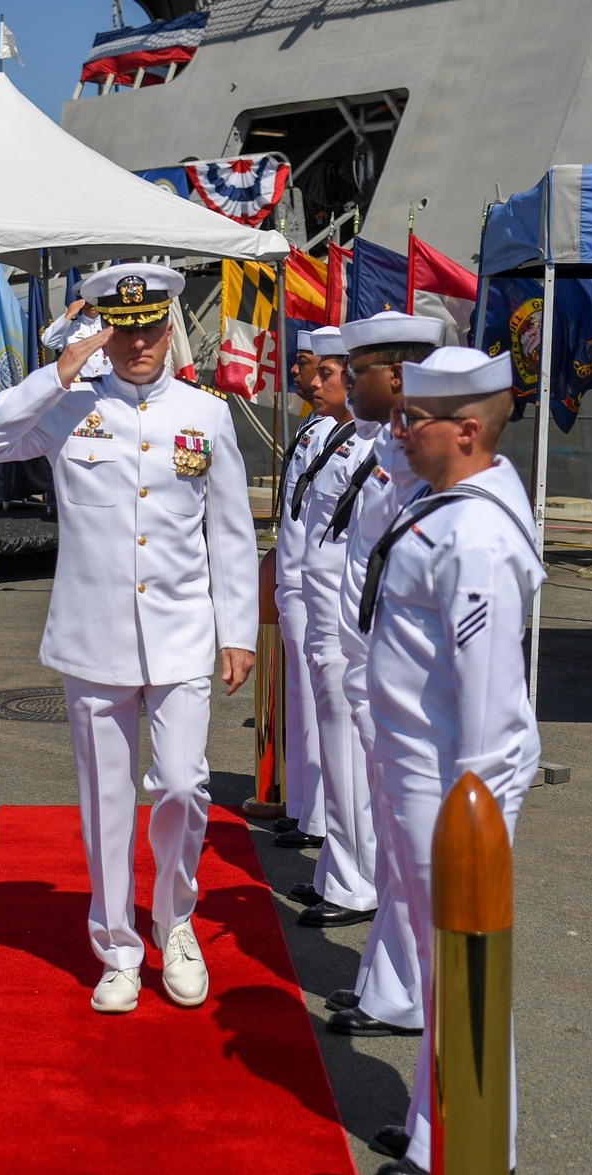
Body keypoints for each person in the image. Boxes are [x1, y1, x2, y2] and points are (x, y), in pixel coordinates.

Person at [0, 263, 259, 1013]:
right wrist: (59, 369)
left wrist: (239, 630)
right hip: (95, 635)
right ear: (105, 333)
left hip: (185, 631)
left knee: (186, 784)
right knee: (104, 799)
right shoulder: (69, 408)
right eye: (123, 331)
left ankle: (178, 918)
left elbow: (228, 529)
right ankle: (119, 947)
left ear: (172, 328)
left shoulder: (205, 413)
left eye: (152, 328)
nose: (139, 344)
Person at [363, 347, 545, 1175]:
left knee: (463, 965)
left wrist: (472, 813)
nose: (397, 430)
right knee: (443, 967)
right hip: (419, 771)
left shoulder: (472, 535)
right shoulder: (443, 501)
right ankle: (436, 1121)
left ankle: (469, 1151)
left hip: (453, 786)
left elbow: (487, 703)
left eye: (414, 419)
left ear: (467, 431)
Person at [324, 310, 444, 1035]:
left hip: (401, 689)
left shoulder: (418, 460)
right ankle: (389, 988)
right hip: (372, 678)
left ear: (396, 376)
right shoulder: (386, 446)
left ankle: (406, 998)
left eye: (357, 367)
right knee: (399, 854)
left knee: (410, 852)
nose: (346, 379)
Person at [295, 326, 378, 928]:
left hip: (350, 627)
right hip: (329, 622)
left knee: (350, 754)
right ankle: (337, 869)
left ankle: (356, 883)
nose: (317, 382)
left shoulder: (384, 451)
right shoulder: (351, 441)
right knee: (335, 748)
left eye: (331, 373)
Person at [272, 329, 326, 852]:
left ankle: (320, 818)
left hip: (317, 587)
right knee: (299, 699)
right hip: (293, 580)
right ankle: (303, 806)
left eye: (307, 363)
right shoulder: (314, 426)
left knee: (317, 705)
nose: (296, 370)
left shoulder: (342, 435)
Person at [41, 295, 112, 379]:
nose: (92, 306)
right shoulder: (69, 327)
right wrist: (68, 315)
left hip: (108, 385)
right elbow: (48, 341)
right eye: (87, 302)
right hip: (79, 385)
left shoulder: (111, 325)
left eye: (95, 301)